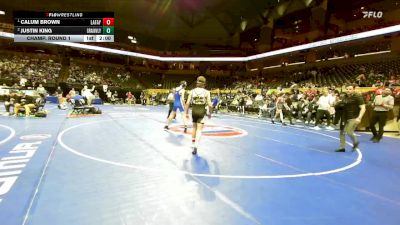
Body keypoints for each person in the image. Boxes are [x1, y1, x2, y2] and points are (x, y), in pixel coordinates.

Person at [185, 76, 213, 155]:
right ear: (204, 83)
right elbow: (210, 105)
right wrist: (210, 113)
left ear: (197, 82)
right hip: (201, 111)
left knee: (194, 127)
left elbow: (187, 103)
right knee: (199, 130)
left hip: (194, 111)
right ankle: (196, 146)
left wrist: (186, 113)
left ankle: (192, 143)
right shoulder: (207, 92)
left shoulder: (192, 91)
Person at [335, 84, 366, 152]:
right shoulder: (344, 97)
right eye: (347, 89)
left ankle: (355, 142)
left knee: (349, 132)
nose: (348, 90)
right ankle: (342, 147)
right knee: (342, 132)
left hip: (353, 117)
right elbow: (343, 104)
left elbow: (363, 108)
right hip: (344, 117)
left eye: (350, 89)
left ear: (354, 89)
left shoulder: (358, 96)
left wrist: (359, 118)